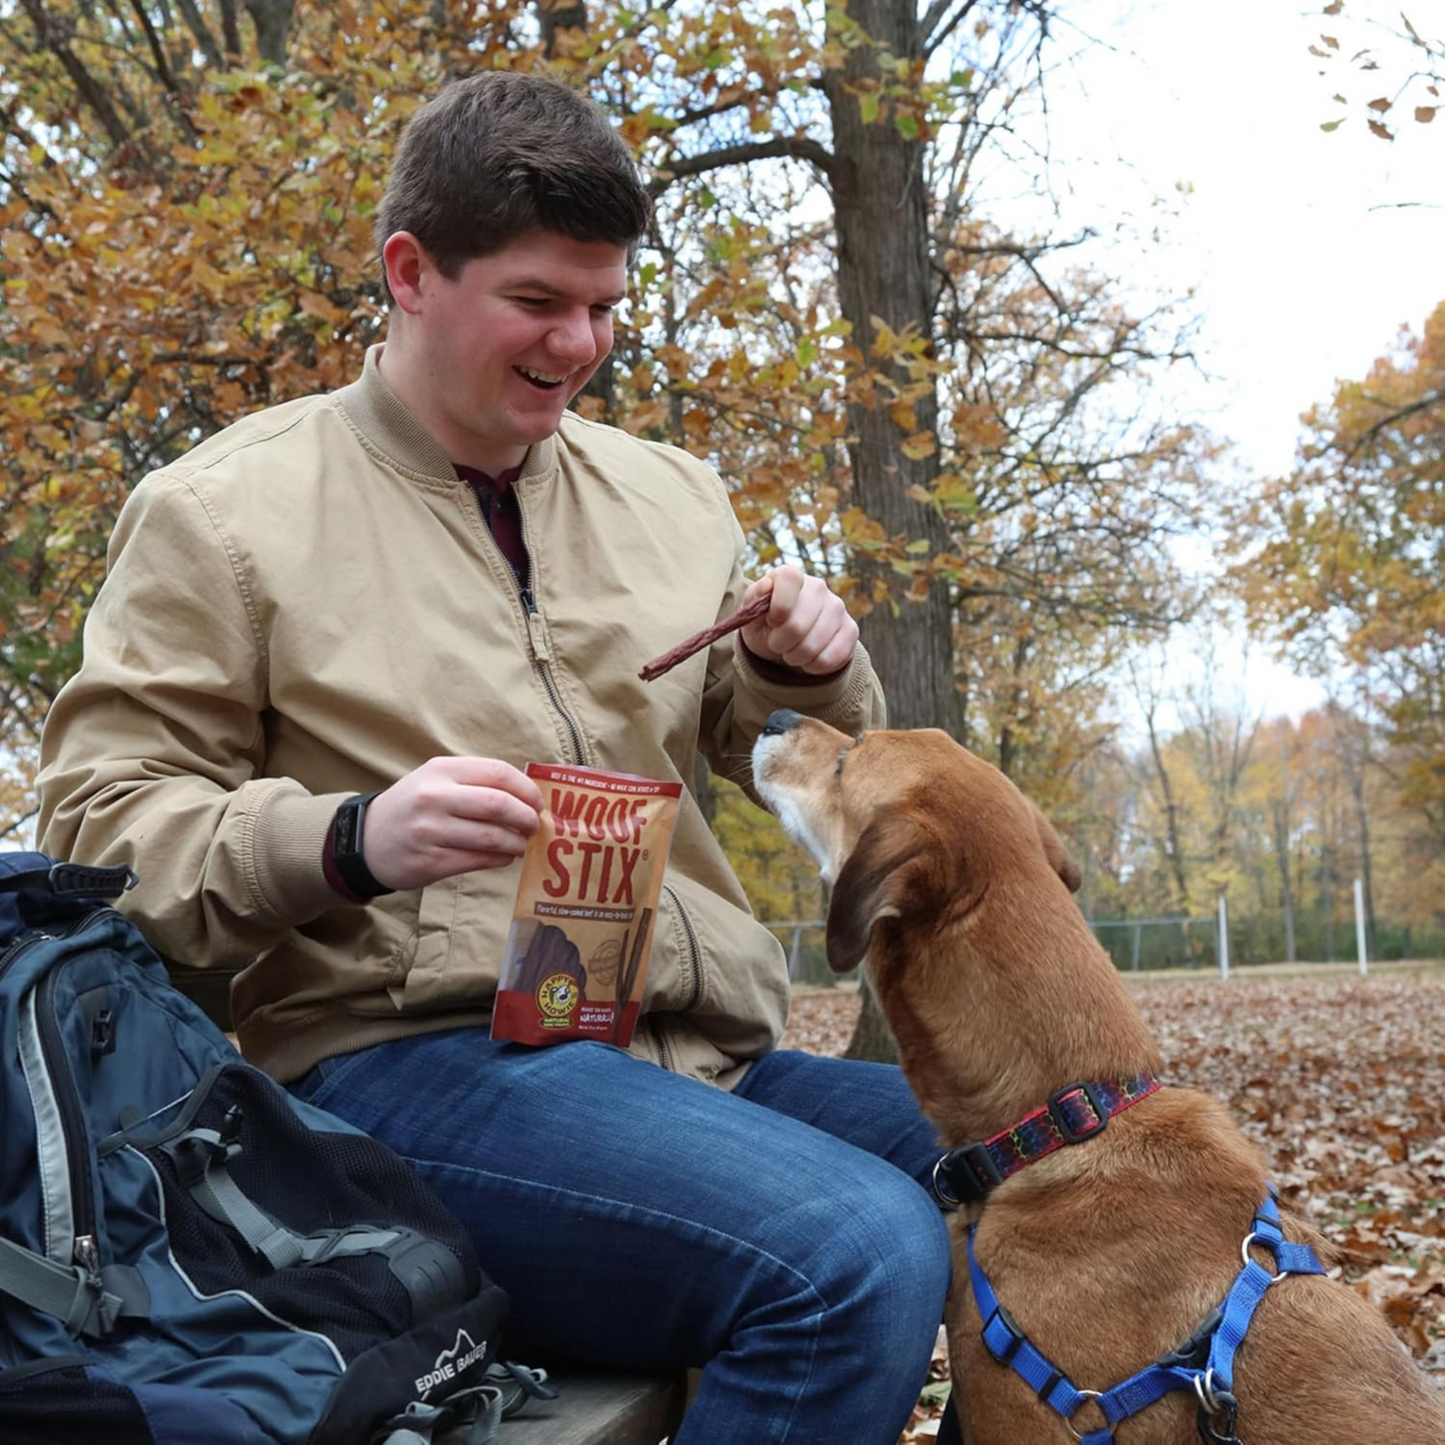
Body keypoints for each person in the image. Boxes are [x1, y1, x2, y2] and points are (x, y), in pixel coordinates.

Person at [37, 70, 952, 1444]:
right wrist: (350, 840)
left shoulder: (671, 496)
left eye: (604, 306)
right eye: (537, 301)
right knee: (852, 1250)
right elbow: (97, 840)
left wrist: (805, 667)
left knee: (1078, 1156)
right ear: (410, 273)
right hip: (396, 1078)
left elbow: (767, 738)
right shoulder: (220, 515)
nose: (579, 344)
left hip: (692, 1058)